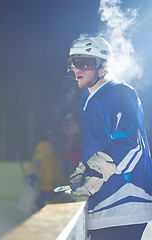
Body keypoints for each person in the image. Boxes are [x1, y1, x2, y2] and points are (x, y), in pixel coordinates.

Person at [67, 36, 152, 240]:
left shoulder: (121, 92)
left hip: (124, 203)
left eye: (85, 63)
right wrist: (87, 171)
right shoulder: (86, 99)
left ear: (102, 65)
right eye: (74, 63)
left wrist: (95, 169)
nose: (78, 69)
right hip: (102, 204)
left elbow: (131, 144)